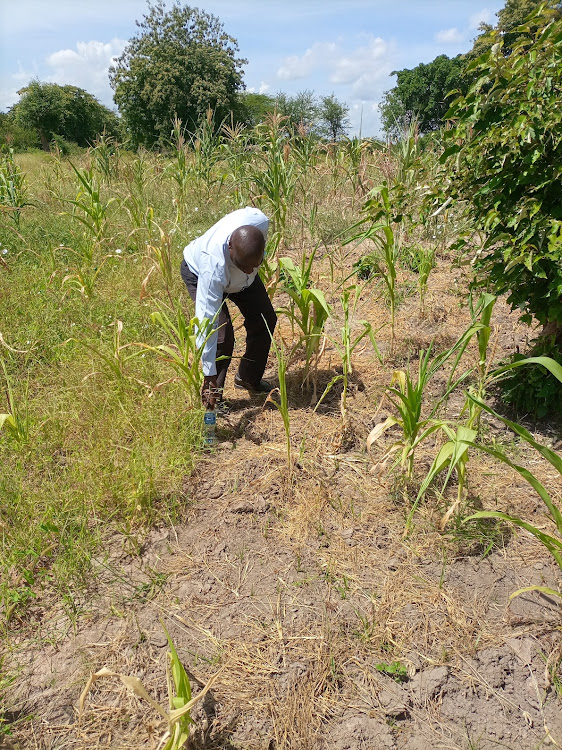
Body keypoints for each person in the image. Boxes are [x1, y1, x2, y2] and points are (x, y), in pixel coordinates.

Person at [180, 207, 277, 408]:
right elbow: (207, 323)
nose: (251, 271)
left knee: (265, 318)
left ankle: (248, 378)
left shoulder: (260, 223)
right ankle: (214, 396)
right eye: (245, 266)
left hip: (240, 280)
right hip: (198, 274)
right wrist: (208, 374)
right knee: (222, 337)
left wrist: (247, 270)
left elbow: (248, 265)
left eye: (256, 265)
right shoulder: (212, 265)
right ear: (230, 247)